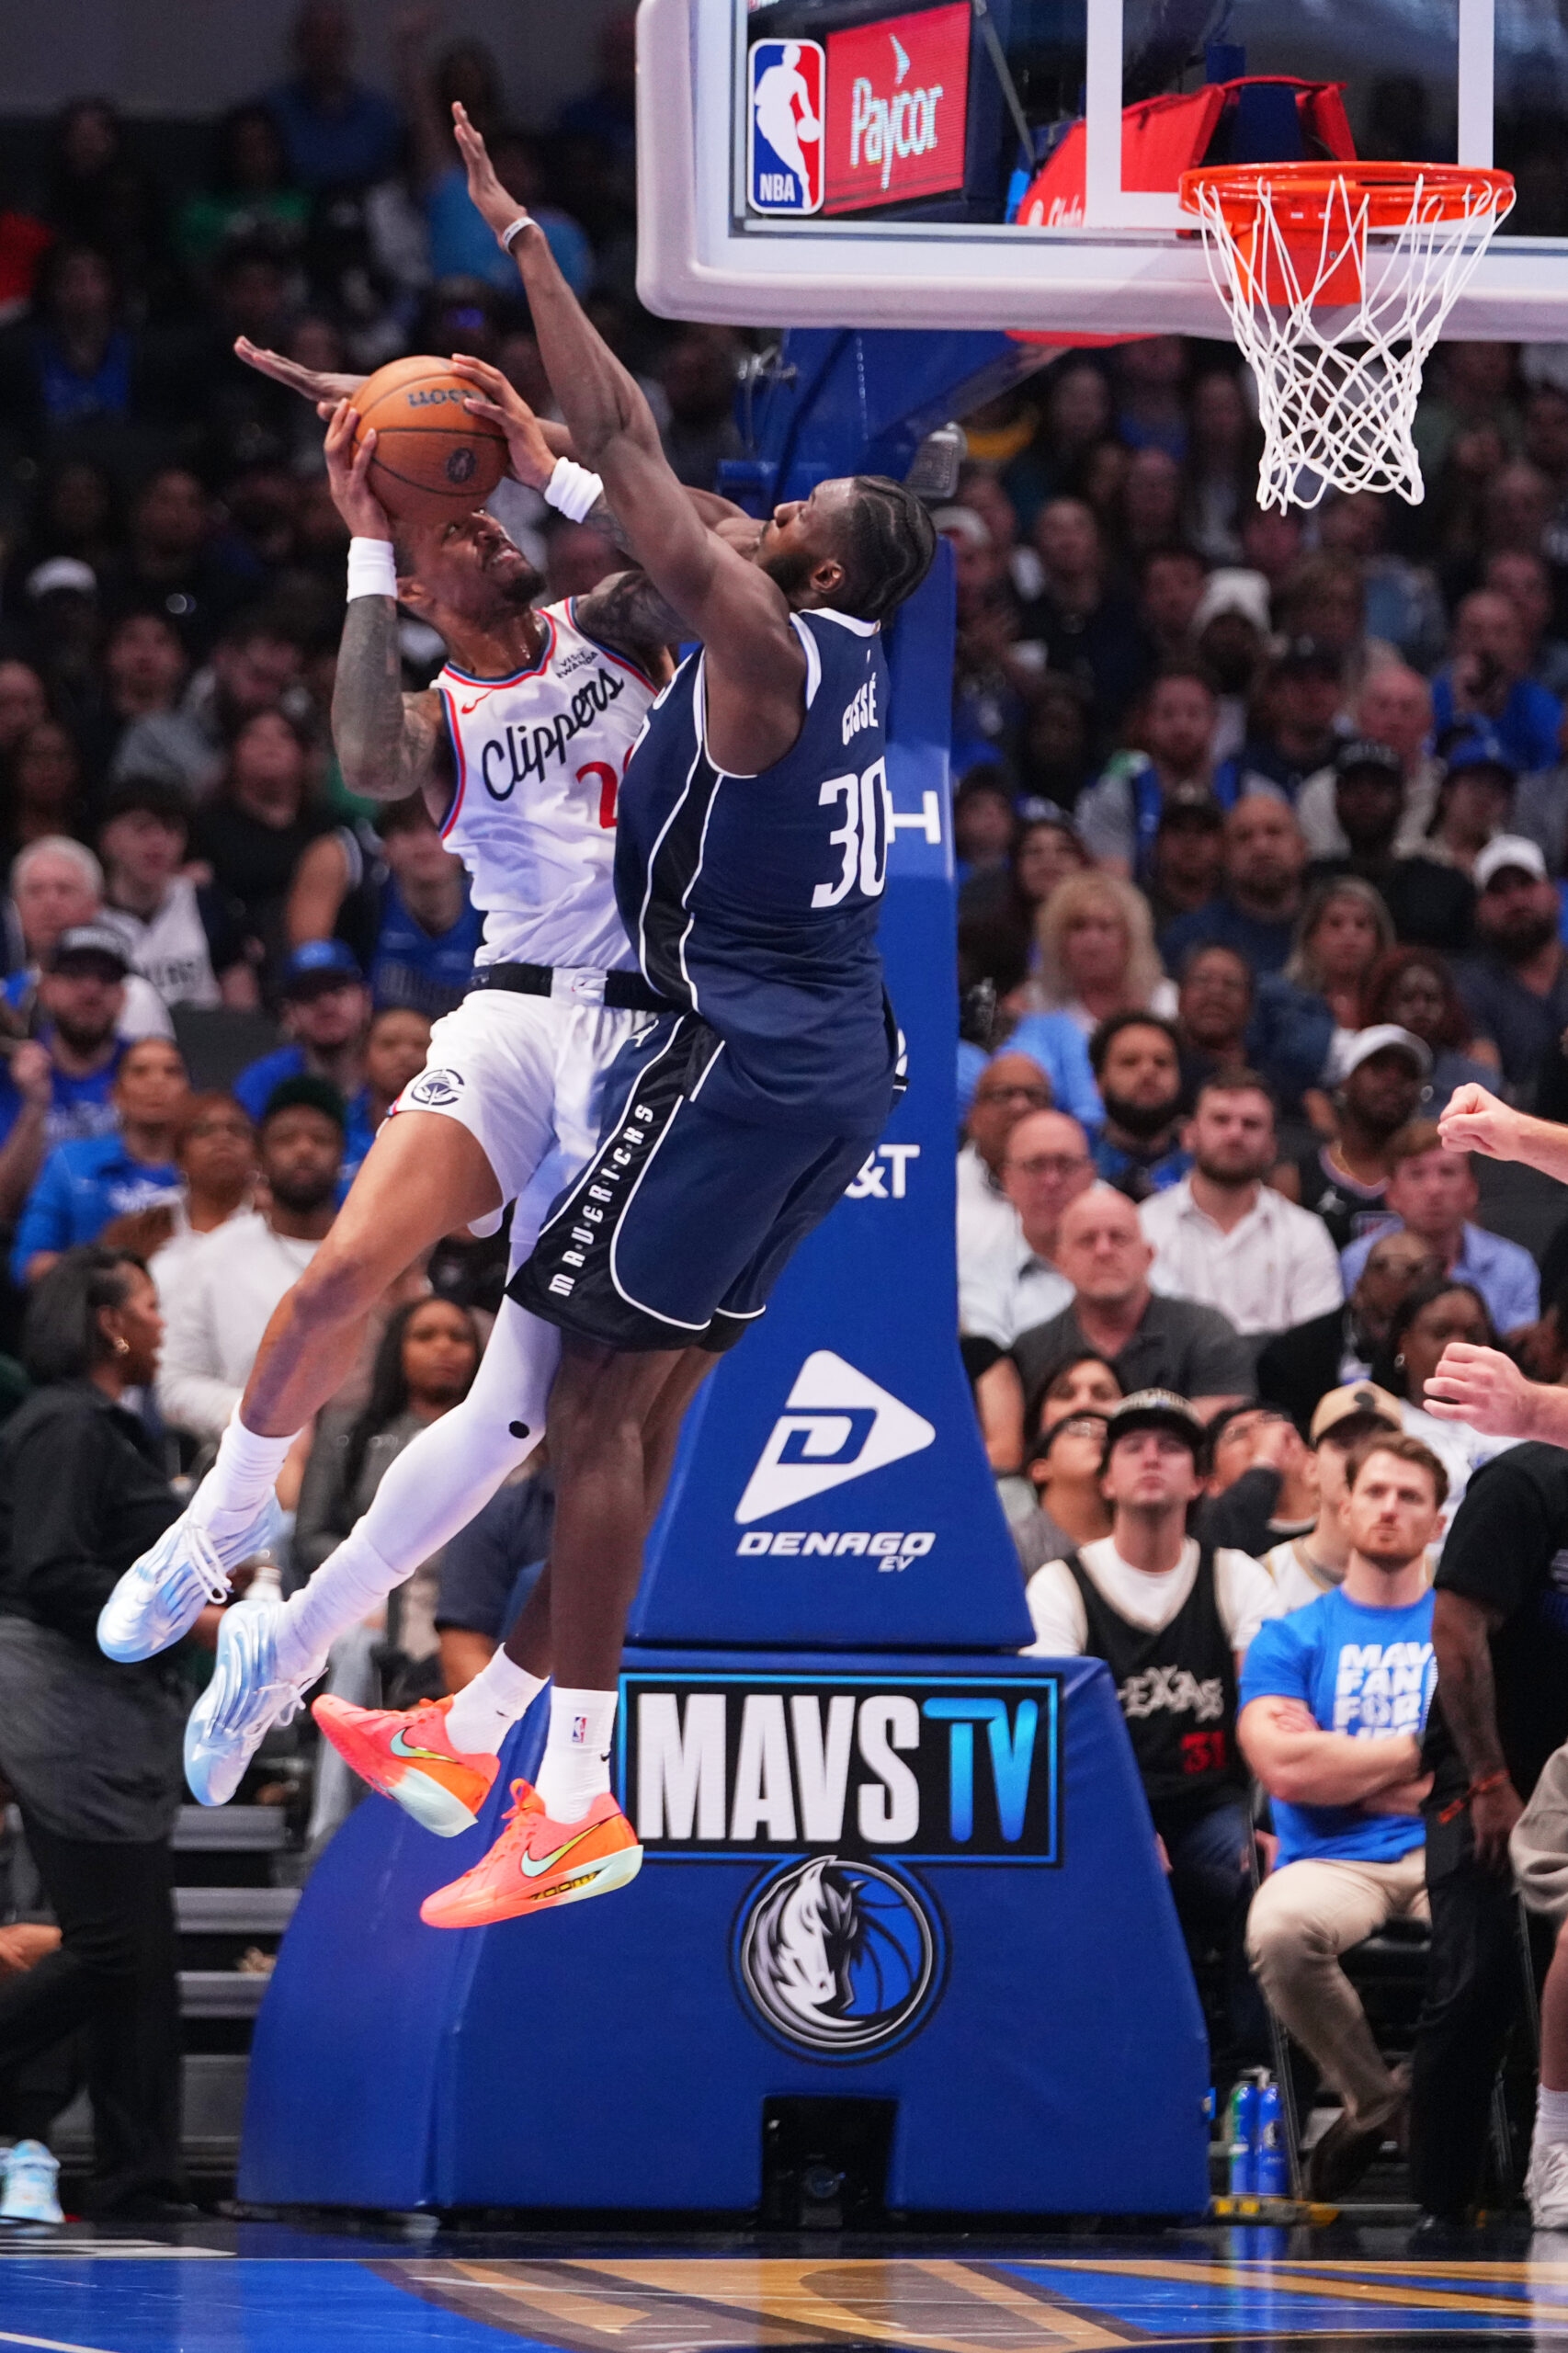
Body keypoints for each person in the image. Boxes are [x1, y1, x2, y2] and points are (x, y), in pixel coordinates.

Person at [111, 108, 939, 1900]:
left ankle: (328, 1646)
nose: (464, 546)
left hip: (675, 1036)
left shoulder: (642, 625)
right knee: (359, 1279)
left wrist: (497, 414)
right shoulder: (443, 705)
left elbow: (649, 484)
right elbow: (356, 756)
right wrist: (372, 520)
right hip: (528, 1013)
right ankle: (239, 1545)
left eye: (462, 525)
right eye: (435, 541)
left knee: (529, 1411)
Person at [0, 1250, 189, 2218]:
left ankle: (141, 2176)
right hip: (63, 1698)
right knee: (113, 1947)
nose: (164, 1324)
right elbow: (49, 1571)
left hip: (109, 1707)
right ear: (112, 1323)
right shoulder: (67, 1424)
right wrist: (186, 1617)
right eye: (151, 1307)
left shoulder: (104, 1426)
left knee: (143, 1958)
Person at [1023, 1390, 1282, 2058]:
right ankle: (1100, 2066)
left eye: (1171, 1448)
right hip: (1100, 1814)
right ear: (1106, 1477)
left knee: (1265, 1876)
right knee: (1098, 1890)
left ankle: (1253, 2080)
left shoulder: (1237, 1578)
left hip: (1207, 1808)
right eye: (1133, 1446)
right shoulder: (1060, 1583)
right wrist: (1125, 1829)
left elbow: (1270, 1711)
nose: (1151, 1459)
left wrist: (1276, 1824)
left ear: (1200, 1478)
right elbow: (1051, 1733)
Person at [1240, 1430, 1445, 2197]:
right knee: (1278, 1930)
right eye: (1377, 1492)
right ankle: (1379, 2102)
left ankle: (1442, 2094)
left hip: (1447, 1847)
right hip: (1330, 1858)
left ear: (1438, 1522)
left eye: (1411, 1497)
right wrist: (1425, 1753)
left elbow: (1496, 1768)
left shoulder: (1461, 1631)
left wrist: (1343, 1766)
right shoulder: (1293, 1634)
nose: (1390, 1508)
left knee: (1509, 1932)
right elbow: (1286, 1768)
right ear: (1344, 1504)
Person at [153, 1077, 344, 1447]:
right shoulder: (215, 1256)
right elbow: (174, 1386)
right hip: (250, 1456)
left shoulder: (372, 1249)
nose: (304, 1150)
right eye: (286, 1139)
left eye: (320, 1139)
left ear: (343, 1155)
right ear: (260, 1157)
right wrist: (257, 1420)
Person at [1011, 1184, 1253, 1434]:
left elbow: (1224, 1438)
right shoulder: (1031, 1350)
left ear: (1149, 1256)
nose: (1104, 1251)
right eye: (1087, 1240)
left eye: (1119, 1237)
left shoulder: (1206, 1332)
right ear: (1061, 1263)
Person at [1139, 1073, 1345, 1337]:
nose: (1235, 1134)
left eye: (1251, 1124)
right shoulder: (1145, 1225)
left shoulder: (1305, 1233)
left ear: (1272, 1147)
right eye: (1221, 1120)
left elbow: (1314, 1346)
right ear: (1189, 1135)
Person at [288, 790, 481, 1022]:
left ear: (464, 845)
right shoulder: (363, 910)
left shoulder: (490, 913)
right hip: (375, 1048)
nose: (424, 843)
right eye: (408, 831)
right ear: (385, 848)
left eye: (437, 829)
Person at [0, 926, 147, 1230]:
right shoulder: (11, 1076)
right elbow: (3, 1205)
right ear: (46, 990)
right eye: (75, 975)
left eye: (106, 978)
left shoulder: (152, 1070)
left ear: (122, 996)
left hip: (132, 1235)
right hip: (26, 1241)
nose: (90, 991)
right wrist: (34, 1107)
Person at [1339, 1122, 1539, 1342]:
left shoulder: (1513, 1266)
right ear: (1391, 1194)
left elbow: (1518, 1355)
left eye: (1448, 1172)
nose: (1434, 1189)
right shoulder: (1358, 1261)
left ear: (1472, 1190)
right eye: (1416, 1174)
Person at [12, 1037, 187, 1285]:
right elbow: (28, 1264)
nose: (156, 1081)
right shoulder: (70, 1162)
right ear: (116, 1093)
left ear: (188, 1091)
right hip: (91, 1311)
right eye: (140, 1071)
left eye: (171, 1071)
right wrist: (110, 1278)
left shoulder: (205, 1172)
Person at [1372, 1275, 1517, 1543]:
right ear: (1403, 1344)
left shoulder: (1520, 1424)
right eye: (1441, 1333)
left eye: (1473, 1335)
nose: (1459, 1346)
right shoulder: (1379, 1422)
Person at [95, 778, 256, 1013]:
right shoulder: (88, 916)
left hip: (207, 1042)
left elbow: (243, 1007)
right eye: (142, 828)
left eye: (171, 829)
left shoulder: (207, 904)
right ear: (108, 840)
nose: (158, 842)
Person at [1256, 1232, 1441, 1436]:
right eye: (1386, 1318)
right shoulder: (1292, 1355)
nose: (1393, 1337)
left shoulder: (1444, 1353)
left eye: (1407, 1323)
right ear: (1359, 1290)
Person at [1274, 1026, 1432, 1251]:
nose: (1393, 1080)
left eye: (1407, 1074)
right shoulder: (1296, 1179)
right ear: (1346, 1082)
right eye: (1379, 1068)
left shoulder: (1436, 1179)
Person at [6, 837, 174, 1043]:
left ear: (96, 903)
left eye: (64, 890)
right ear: (16, 907)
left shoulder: (132, 997)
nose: (49, 904)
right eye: (35, 891)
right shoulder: (6, 995)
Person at [1261, 1381, 1407, 1609]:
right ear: (1311, 1467)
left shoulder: (1431, 1577)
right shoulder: (1266, 1578)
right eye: (1345, 1445)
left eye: (1380, 1446)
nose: (1361, 1460)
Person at [960, 1109, 1094, 1349]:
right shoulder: (977, 1269)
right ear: (1007, 1179)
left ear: (1090, 1175)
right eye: (1036, 1166)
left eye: (1065, 1164)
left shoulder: (1129, 1252)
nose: (1051, 1180)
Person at [1074, 668, 1223, 881]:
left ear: (1215, 721)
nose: (1181, 726)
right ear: (1148, 722)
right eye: (1167, 713)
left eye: (1193, 713)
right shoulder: (1118, 793)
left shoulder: (1249, 789)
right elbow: (1115, 890)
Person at [1455, 835, 1568, 1095]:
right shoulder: (1469, 988)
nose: (1516, 900)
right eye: (1499, 890)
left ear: (1554, 894)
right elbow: (1487, 1086)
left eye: (1526, 884)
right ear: (1479, 910)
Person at [1160, 794, 1310, 978]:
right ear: (1226, 856)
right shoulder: (1191, 937)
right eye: (1244, 837)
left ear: (1302, 847)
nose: (1261, 848)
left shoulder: (1332, 926)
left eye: (1274, 832)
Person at [1029, 870, 1176, 1040]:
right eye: (1079, 926)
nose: (1092, 939)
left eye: (1105, 926)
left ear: (1130, 939)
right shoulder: (1036, 1005)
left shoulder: (1166, 1002)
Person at [1358, 948, 1499, 1120]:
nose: (1420, 1009)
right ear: (1384, 1006)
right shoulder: (1361, 1074)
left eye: (1431, 999)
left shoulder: (1476, 1083)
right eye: (1407, 998)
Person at [955, 1051, 1051, 1275]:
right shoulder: (940, 1187)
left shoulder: (1089, 1195)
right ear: (973, 1116)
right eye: (1002, 1095)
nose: (1019, 1106)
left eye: (1033, 1095)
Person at [1087, 1012, 1190, 1200]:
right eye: (1129, 1062)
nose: (1148, 1072)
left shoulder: (1203, 1165)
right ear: (1098, 1081)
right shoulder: (1079, 1160)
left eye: (1162, 1062)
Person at [1013, 1403, 1116, 1577]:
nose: (1100, 1437)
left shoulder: (1147, 1546)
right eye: (1080, 1430)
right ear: (1040, 1469)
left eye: (1111, 1437)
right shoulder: (1013, 1546)